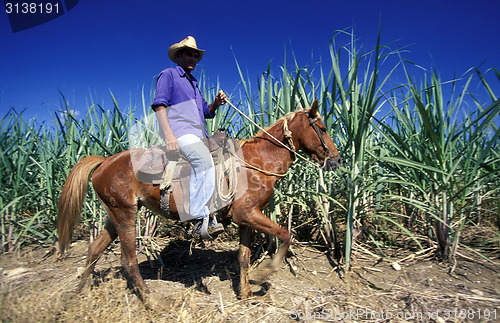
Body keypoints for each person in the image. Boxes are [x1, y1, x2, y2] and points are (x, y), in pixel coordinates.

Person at [151, 36, 227, 239]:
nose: (193, 58)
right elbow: (160, 105)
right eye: (188, 54)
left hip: (199, 135)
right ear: (178, 56)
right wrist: (170, 136)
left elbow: (206, 112)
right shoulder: (168, 75)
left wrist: (216, 103)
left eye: (195, 55)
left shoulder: (194, 84)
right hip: (181, 133)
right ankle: (198, 218)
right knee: (205, 163)